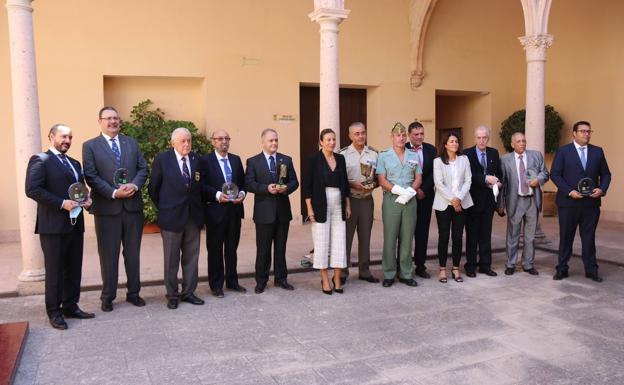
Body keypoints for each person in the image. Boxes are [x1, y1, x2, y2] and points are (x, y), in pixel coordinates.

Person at [26, 124, 95, 329]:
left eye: (70, 137)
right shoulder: (40, 160)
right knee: (55, 271)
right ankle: (54, 312)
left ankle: (71, 306)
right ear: (52, 137)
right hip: (53, 226)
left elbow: (80, 188)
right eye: (63, 136)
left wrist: (87, 199)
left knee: (73, 269)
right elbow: (32, 189)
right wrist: (61, 203)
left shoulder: (74, 163)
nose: (67, 140)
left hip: (75, 224)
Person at [83, 107, 148, 312]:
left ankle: (134, 293)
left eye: (115, 118)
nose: (112, 121)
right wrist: (113, 193)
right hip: (107, 209)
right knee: (108, 255)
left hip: (132, 208)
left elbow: (143, 169)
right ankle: (108, 296)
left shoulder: (132, 143)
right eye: (108, 118)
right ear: (100, 121)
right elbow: (91, 176)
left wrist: (134, 185)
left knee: (133, 254)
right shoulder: (90, 146)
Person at [148, 128, 205, 309]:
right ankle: (172, 294)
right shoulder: (162, 160)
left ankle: (188, 292)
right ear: (173, 143)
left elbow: (201, 187)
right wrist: (165, 207)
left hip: (193, 217)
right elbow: (153, 189)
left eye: (189, 141)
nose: (187, 144)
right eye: (182, 141)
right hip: (171, 217)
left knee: (191, 257)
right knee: (171, 258)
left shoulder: (197, 160)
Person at [551, 121, 611, 282]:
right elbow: (555, 174)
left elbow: (606, 174)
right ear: (574, 133)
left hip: (591, 204)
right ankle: (562, 269)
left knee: (589, 238)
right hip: (568, 203)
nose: (587, 134)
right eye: (583, 131)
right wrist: (569, 191)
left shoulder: (598, 152)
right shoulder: (563, 151)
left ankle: (591, 270)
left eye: (589, 131)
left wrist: (602, 189)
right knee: (566, 237)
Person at [245, 128, 299, 294]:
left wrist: (286, 189)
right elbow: (249, 184)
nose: (274, 143)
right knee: (263, 249)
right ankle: (261, 280)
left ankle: (281, 278)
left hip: (282, 212)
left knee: (281, 248)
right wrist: (266, 188)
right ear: (263, 142)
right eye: (271, 140)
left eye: (276, 140)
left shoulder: (286, 160)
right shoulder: (253, 161)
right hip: (263, 213)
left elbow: (294, 182)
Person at [199, 129, 247, 298]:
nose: (224, 141)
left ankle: (232, 282)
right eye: (220, 139)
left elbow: (243, 183)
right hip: (215, 212)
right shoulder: (205, 160)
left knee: (232, 249)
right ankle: (216, 285)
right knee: (215, 250)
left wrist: (242, 194)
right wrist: (218, 195)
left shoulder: (235, 159)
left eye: (227, 138)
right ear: (213, 141)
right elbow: (202, 185)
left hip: (234, 211)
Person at [303, 128, 351, 295]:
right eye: (328, 140)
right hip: (319, 204)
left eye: (334, 139)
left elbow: (344, 182)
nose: (332, 142)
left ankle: (336, 279)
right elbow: (307, 186)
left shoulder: (340, 158)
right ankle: (324, 279)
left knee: (339, 242)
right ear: (321, 142)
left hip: (338, 203)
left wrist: (347, 204)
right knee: (321, 242)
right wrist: (309, 209)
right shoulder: (313, 159)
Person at [377, 123, 422, 288]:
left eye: (403, 135)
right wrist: (397, 190)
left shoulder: (413, 155)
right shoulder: (384, 156)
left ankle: (406, 273)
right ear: (392, 137)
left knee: (407, 238)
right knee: (390, 238)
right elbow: (382, 179)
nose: (401, 138)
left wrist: (410, 191)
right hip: (392, 200)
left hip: (410, 200)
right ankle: (389, 273)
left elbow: (418, 177)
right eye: (398, 135)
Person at [498, 132, 549, 276]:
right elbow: (503, 183)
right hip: (515, 201)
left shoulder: (536, 155)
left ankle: (528, 264)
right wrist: (500, 204)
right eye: (519, 141)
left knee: (530, 236)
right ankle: (510, 264)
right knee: (512, 235)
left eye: (524, 141)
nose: (522, 144)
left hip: (532, 200)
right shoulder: (505, 160)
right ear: (512, 144)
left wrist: (538, 179)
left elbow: (545, 173)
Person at [338, 122, 379, 284]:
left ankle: (364, 270)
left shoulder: (374, 154)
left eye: (363, 133)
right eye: (357, 133)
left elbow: (378, 177)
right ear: (350, 136)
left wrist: (373, 185)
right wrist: (352, 184)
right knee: (346, 238)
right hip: (350, 201)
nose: (360, 136)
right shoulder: (343, 155)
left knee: (365, 237)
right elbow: (339, 179)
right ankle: (342, 271)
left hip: (367, 201)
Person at [433, 132, 473, 283]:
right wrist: (453, 200)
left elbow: (468, 180)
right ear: (445, 144)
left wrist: (459, 199)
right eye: (451, 141)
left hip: (462, 203)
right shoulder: (438, 161)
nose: (455, 144)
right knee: (444, 237)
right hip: (444, 204)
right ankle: (442, 269)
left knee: (457, 237)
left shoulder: (464, 159)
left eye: (456, 141)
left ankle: (455, 267)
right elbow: (439, 183)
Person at [464, 126, 502, 277]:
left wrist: (498, 183)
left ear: (488, 138)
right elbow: (468, 175)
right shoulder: (467, 153)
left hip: (488, 201)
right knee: (472, 235)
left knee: (486, 235)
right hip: (472, 201)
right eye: (478, 137)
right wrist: (485, 179)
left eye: (484, 137)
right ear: (475, 138)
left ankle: (485, 265)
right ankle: (471, 266)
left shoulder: (493, 152)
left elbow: (499, 173)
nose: (481, 140)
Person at [405, 121, 437, 279]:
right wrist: (413, 189)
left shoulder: (431, 149)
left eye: (421, 134)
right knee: (405, 233)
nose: (419, 137)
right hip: (407, 196)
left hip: (425, 197)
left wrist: (423, 189)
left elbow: (434, 173)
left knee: (422, 232)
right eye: (416, 134)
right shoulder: (402, 148)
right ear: (409, 134)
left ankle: (420, 265)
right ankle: (403, 265)